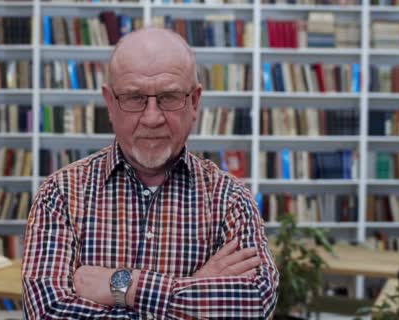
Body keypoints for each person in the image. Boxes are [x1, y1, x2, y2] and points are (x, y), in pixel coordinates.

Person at [22, 27, 279, 319]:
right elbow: (48, 312)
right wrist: (194, 289)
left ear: (194, 102)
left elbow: (256, 305)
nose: (152, 117)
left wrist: (126, 287)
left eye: (169, 97)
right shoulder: (60, 195)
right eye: (134, 98)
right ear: (109, 103)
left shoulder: (229, 199)